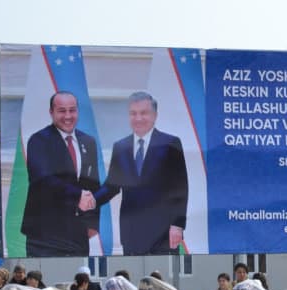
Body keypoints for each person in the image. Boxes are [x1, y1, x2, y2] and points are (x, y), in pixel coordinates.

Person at [92, 92, 189, 255]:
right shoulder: (120, 146)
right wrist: (92, 200)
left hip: (163, 232)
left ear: (154, 115)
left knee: (161, 277)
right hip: (132, 231)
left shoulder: (170, 143)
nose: (138, 118)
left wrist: (178, 225)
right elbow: (112, 186)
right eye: (133, 113)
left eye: (143, 113)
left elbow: (181, 188)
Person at [22, 91, 102, 256]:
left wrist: (93, 223)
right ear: (51, 112)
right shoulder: (38, 140)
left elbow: (93, 183)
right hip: (45, 233)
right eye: (62, 111)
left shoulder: (88, 141)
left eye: (72, 110)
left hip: (77, 232)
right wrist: (78, 195)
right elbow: (42, 180)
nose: (68, 116)